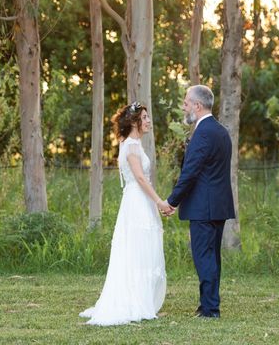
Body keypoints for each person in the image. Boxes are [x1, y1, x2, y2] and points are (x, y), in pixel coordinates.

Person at [80, 101, 173, 326]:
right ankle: (135, 303)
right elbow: (141, 178)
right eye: (145, 118)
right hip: (137, 202)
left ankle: (144, 301)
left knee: (143, 249)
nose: (149, 121)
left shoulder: (133, 144)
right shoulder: (131, 146)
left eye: (148, 117)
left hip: (140, 201)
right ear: (134, 122)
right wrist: (160, 201)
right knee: (138, 250)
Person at [162, 85, 235, 319]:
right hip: (218, 206)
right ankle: (208, 304)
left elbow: (190, 172)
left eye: (186, 102)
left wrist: (171, 201)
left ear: (197, 105)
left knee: (203, 257)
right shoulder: (221, 132)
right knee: (212, 257)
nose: (184, 106)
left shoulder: (203, 133)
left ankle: (210, 309)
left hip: (204, 207)